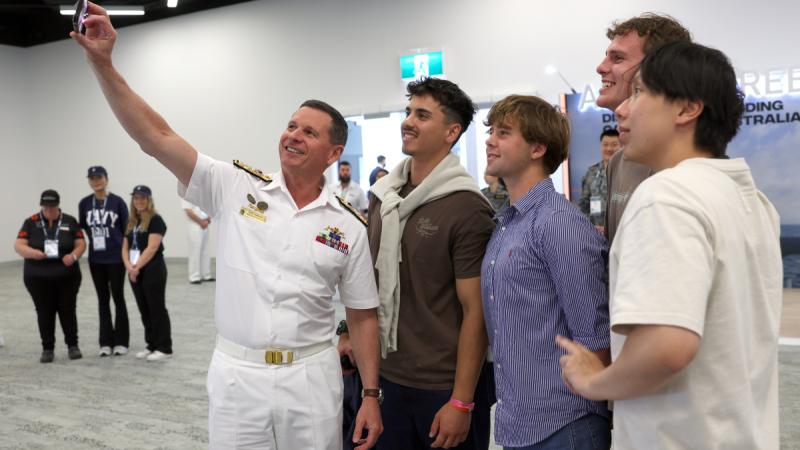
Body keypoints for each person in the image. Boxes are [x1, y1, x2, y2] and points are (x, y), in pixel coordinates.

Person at [72, 6, 382, 449]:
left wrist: (370, 395)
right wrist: (103, 64)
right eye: (290, 126)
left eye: (309, 133)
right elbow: (156, 138)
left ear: (334, 154)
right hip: (239, 375)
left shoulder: (348, 224)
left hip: (311, 377)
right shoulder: (234, 186)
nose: (293, 135)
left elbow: (362, 314)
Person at [557, 41, 782, 450]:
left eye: (639, 92)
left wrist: (594, 381)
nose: (622, 109)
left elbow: (666, 347)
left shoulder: (668, 195)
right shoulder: (751, 199)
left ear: (686, 109)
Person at [364, 77, 496, 450]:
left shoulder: (467, 207)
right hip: (386, 376)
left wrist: (461, 401)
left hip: (443, 385)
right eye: (408, 112)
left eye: (422, 115)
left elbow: (476, 311)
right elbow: (367, 282)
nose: (408, 122)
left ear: (451, 132)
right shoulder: (384, 197)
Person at [482, 95, 610, 449]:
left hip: (565, 423)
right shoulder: (508, 224)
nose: (490, 140)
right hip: (520, 420)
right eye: (491, 131)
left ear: (538, 148)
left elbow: (594, 340)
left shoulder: (557, 224)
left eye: (504, 132)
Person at [596, 13, 691, 244]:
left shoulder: (688, 170)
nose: (600, 67)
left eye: (617, 58)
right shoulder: (618, 163)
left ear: (659, 69)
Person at [14, 190, 86, 363]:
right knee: (44, 311)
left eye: (51, 206)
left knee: (67, 310)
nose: (48, 210)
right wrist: (32, 253)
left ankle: (73, 345)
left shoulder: (70, 221)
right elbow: (18, 245)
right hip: (37, 277)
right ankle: (47, 348)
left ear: (58, 205)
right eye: (45, 206)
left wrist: (74, 256)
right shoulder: (31, 222)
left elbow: (81, 243)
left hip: (67, 276)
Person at [79, 165, 130, 357]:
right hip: (96, 259)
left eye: (99, 177)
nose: (96, 181)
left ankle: (121, 341)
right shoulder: (84, 203)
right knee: (102, 300)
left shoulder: (117, 202)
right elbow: (85, 227)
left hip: (116, 258)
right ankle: (105, 342)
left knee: (118, 297)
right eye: (92, 178)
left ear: (106, 179)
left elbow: (126, 229)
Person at [122, 185, 173, 362]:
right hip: (135, 271)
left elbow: (152, 248)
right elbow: (125, 246)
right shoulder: (131, 221)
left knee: (156, 308)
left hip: (153, 270)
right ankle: (151, 344)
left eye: (143, 198)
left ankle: (164, 347)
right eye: (136, 198)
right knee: (144, 309)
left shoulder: (156, 220)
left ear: (149, 200)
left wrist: (135, 268)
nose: (139, 201)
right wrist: (128, 266)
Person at [578, 129, 620, 233]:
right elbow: (584, 204)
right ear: (601, 147)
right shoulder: (591, 172)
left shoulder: (628, 172)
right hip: (595, 233)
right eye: (605, 145)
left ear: (621, 146)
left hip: (621, 232)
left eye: (614, 145)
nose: (609, 149)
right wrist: (589, 227)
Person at [182, 199, 214, 284]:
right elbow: (189, 212)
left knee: (205, 250)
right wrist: (200, 222)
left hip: (205, 223)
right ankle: (194, 276)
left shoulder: (201, 193)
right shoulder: (185, 194)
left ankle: (206, 275)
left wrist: (208, 219)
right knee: (195, 250)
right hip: (194, 224)